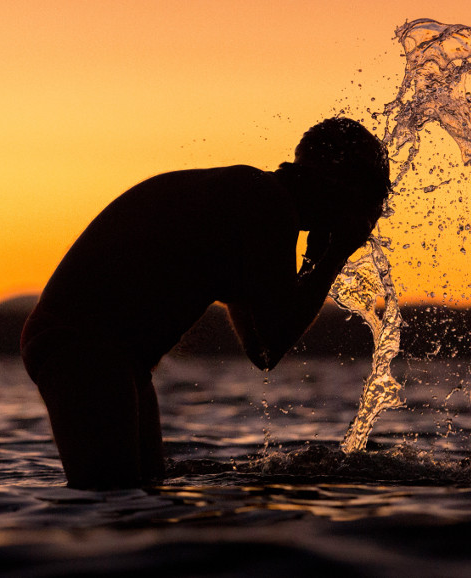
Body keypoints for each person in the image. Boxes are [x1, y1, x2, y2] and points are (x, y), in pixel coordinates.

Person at [21, 118, 390, 490]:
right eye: (365, 209)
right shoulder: (266, 204)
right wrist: (336, 254)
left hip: (110, 356)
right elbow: (276, 339)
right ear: (340, 188)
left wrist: (315, 261)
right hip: (84, 348)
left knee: (141, 496)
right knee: (112, 501)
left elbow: (261, 351)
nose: (364, 225)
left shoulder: (256, 202)